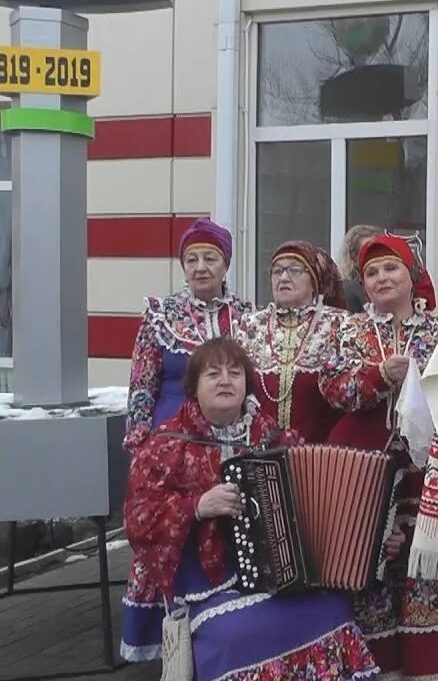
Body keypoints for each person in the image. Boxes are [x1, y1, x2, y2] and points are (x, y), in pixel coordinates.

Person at [122, 337, 379, 680]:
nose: (226, 380)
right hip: (207, 583)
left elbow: (327, 502)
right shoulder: (166, 444)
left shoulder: (272, 437)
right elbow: (137, 519)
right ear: (193, 387)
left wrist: (375, 529)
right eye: (213, 374)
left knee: (332, 609)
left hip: (278, 577)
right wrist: (196, 506)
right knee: (235, 633)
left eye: (235, 372)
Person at [320, 235, 438, 680]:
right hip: (367, 470)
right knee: (371, 568)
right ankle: (379, 668)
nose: (382, 278)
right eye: (371, 272)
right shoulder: (350, 330)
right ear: (362, 284)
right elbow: (333, 389)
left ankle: (427, 668)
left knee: (424, 570)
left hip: (428, 472)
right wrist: (378, 376)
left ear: (412, 276)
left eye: (391, 269)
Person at [120, 218, 253, 662]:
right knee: (170, 525)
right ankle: (166, 643)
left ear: (225, 263)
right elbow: (142, 383)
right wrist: (141, 442)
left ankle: (219, 628)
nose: (200, 268)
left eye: (209, 259)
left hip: (227, 436)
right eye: (191, 260)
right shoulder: (161, 315)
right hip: (171, 441)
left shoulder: (247, 316)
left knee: (222, 524)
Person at [235, 241, 347, 444]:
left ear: (314, 281)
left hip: (323, 454)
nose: (284, 277)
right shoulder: (251, 325)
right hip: (260, 449)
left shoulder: (339, 325)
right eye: (277, 271)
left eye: (294, 270)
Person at [340, 224, 380, 313]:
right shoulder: (347, 290)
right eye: (368, 251)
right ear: (353, 255)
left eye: (378, 249)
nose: (375, 255)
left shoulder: (385, 281)